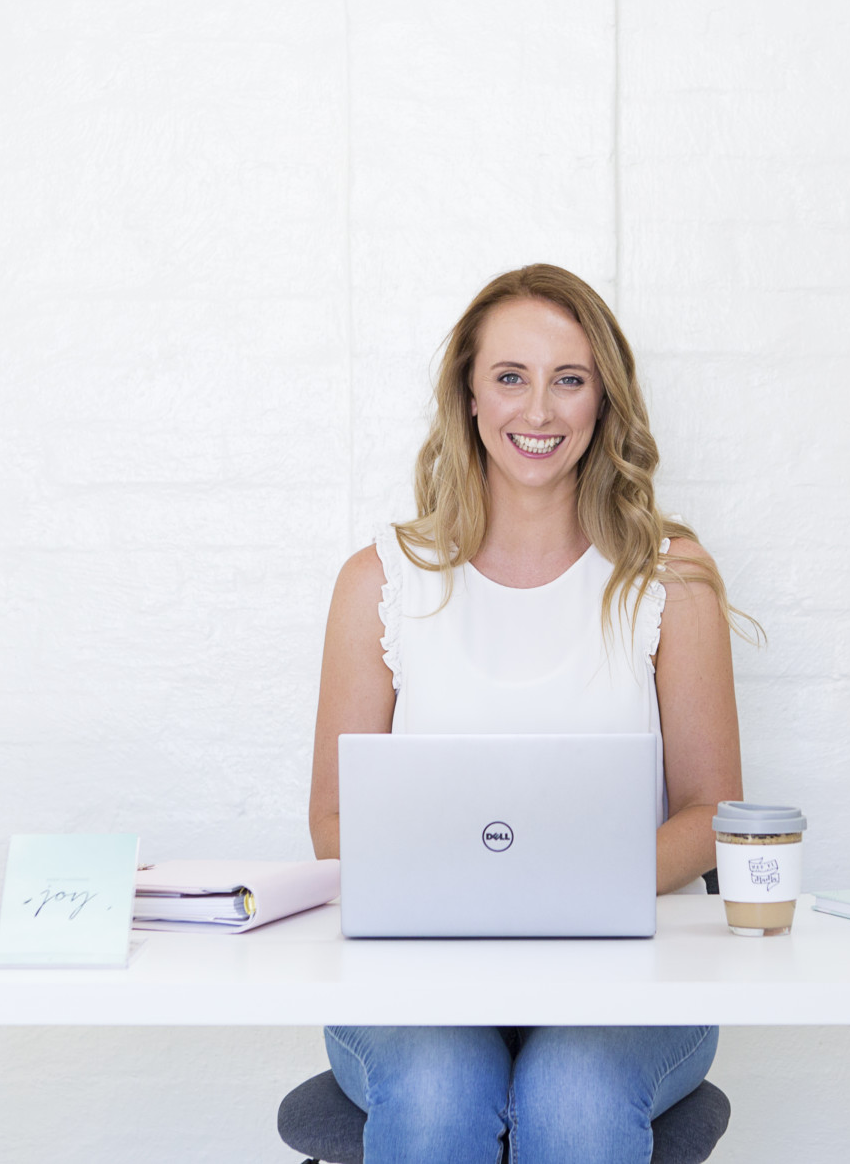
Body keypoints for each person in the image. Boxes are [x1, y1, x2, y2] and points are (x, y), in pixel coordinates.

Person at [307, 263, 752, 1164]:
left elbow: (715, 814)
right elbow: (332, 821)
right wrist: (487, 888)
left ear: (604, 401)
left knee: (574, 1097)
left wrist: (571, 885)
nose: (538, 411)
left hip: (622, 975)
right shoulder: (379, 581)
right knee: (436, 1092)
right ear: (469, 395)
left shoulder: (670, 577)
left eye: (569, 379)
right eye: (510, 377)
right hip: (420, 977)